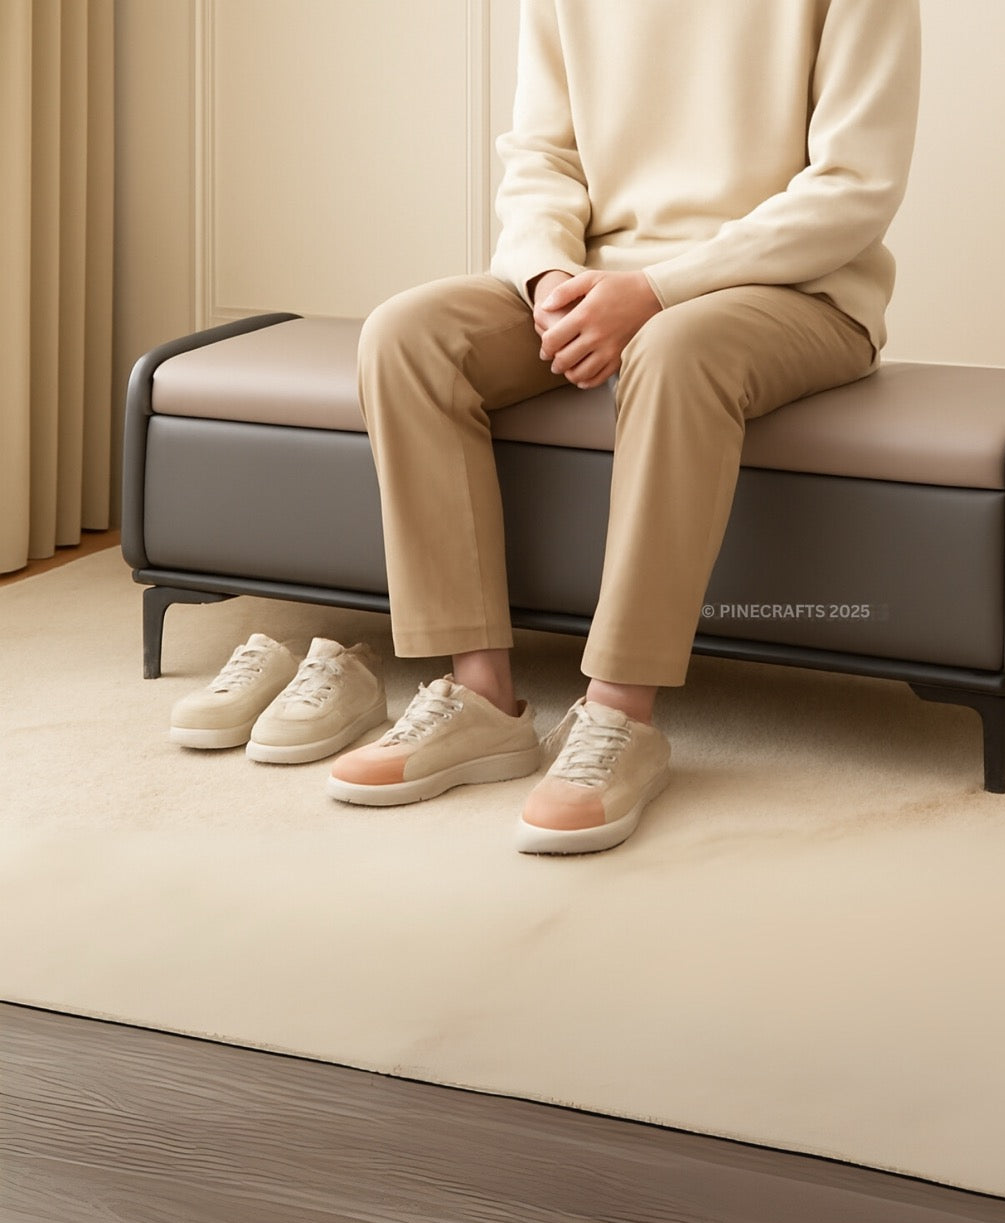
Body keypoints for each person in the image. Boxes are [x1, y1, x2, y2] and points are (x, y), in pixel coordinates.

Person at [326, 0, 922, 854]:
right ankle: (481, 697)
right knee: (408, 336)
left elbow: (853, 188)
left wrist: (656, 290)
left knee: (675, 350)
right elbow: (543, 155)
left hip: (797, 292)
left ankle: (618, 715)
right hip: (597, 278)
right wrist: (546, 277)